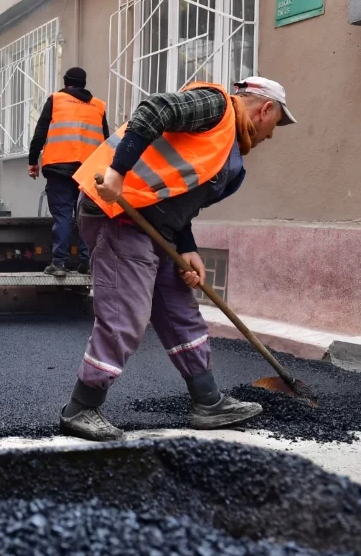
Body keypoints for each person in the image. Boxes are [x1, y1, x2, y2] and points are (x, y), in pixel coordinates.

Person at [59, 76, 297, 441]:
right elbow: (154, 110)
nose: (271, 135)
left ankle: (208, 401)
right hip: (119, 212)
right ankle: (81, 407)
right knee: (127, 313)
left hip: (157, 225)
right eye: (275, 124)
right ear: (265, 109)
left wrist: (188, 248)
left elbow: (179, 197)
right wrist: (117, 174)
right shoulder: (215, 107)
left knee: (180, 311)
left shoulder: (226, 148)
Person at [28, 67, 108, 276]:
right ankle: (86, 262)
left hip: (59, 167)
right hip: (89, 172)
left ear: (65, 82)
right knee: (85, 215)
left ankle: (59, 264)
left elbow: (40, 133)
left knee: (63, 215)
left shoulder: (56, 100)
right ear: (83, 83)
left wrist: (32, 161)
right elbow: (107, 142)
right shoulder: (99, 106)